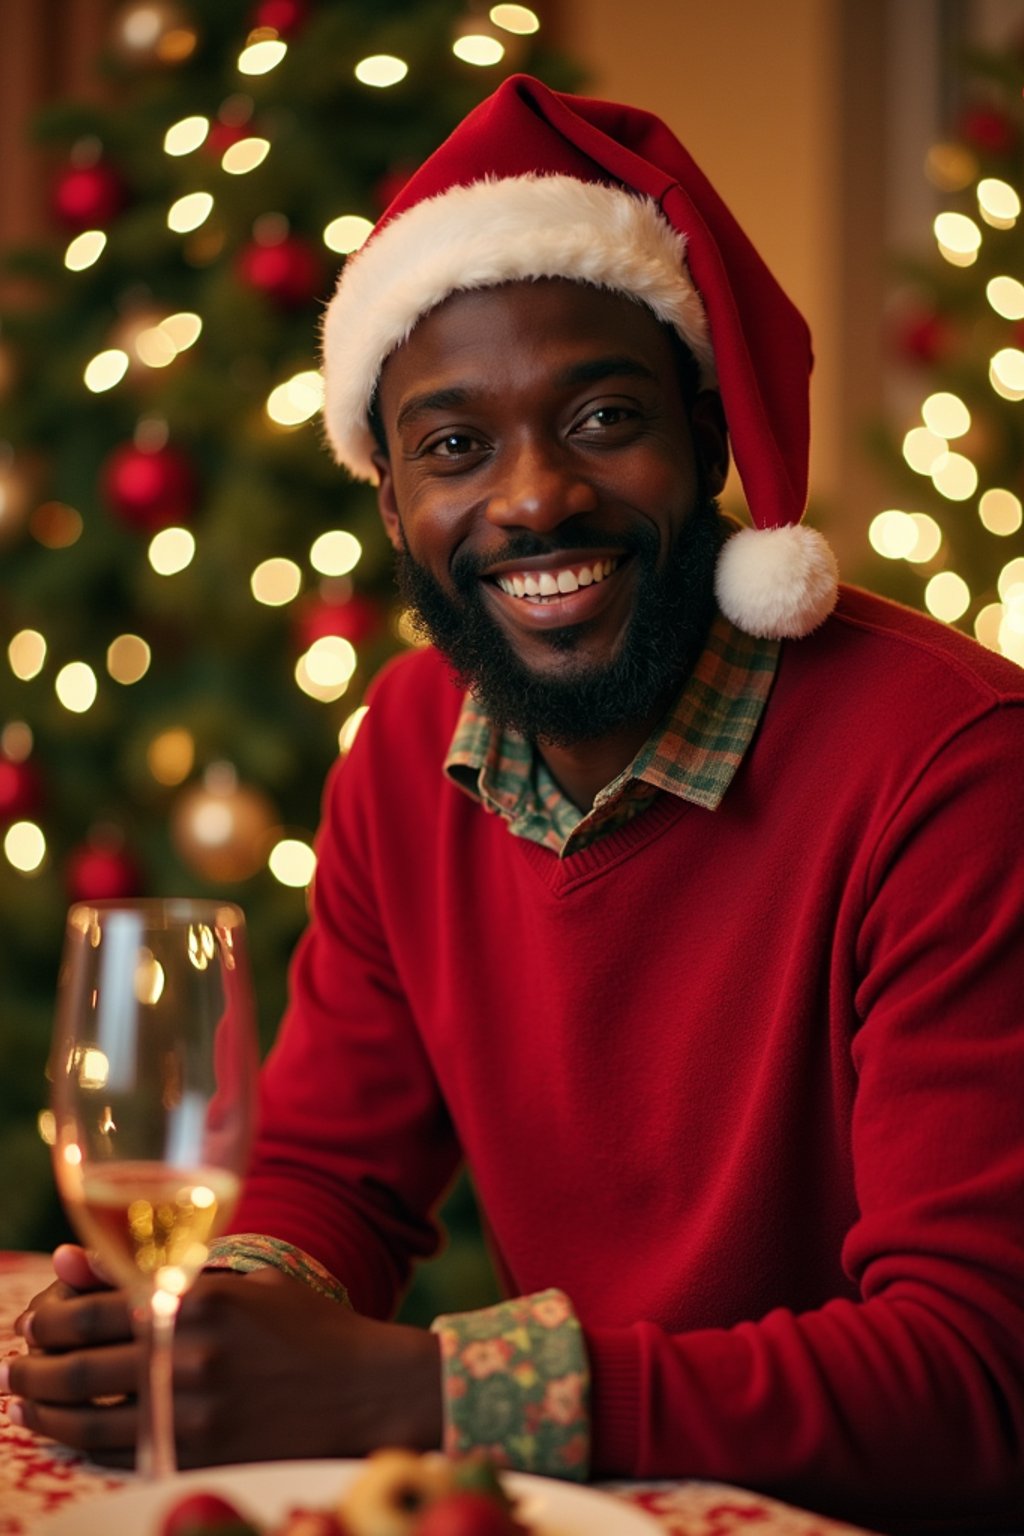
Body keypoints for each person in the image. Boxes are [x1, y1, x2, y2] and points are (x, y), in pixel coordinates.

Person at [5, 74, 1024, 1533]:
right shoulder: (410, 744)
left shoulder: (958, 766)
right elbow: (330, 1176)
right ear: (390, 502)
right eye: (454, 446)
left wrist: (426, 1396)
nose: (534, 500)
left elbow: (978, 1377)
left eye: (604, 416)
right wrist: (217, 1315)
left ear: (709, 436)